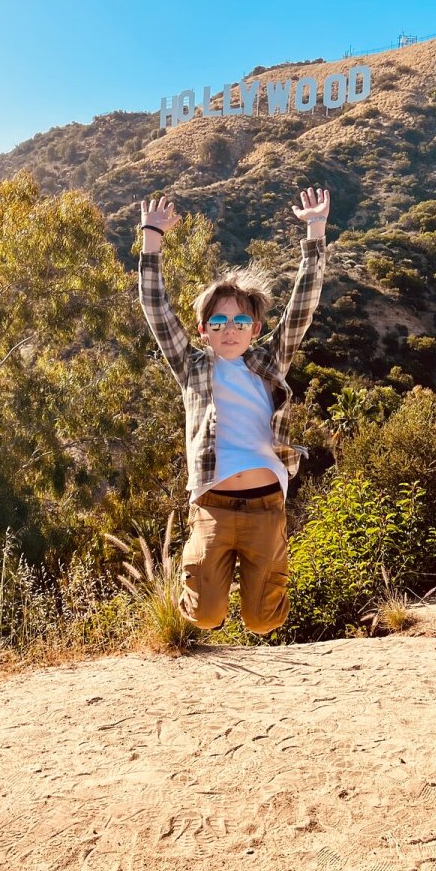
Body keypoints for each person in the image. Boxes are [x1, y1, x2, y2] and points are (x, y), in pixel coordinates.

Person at [138, 187, 329, 635]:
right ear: (204, 330)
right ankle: (192, 582)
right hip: (212, 505)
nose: (230, 331)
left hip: (267, 506)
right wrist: (151, 237)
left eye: (240, 322)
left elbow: (304, 305)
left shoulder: (268, 362)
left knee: (263, 622)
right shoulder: (192, 366)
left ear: (255, 329)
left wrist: (315, 231)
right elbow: (155, 307)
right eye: (219, 323)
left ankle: (263, 587)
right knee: (205, 615)